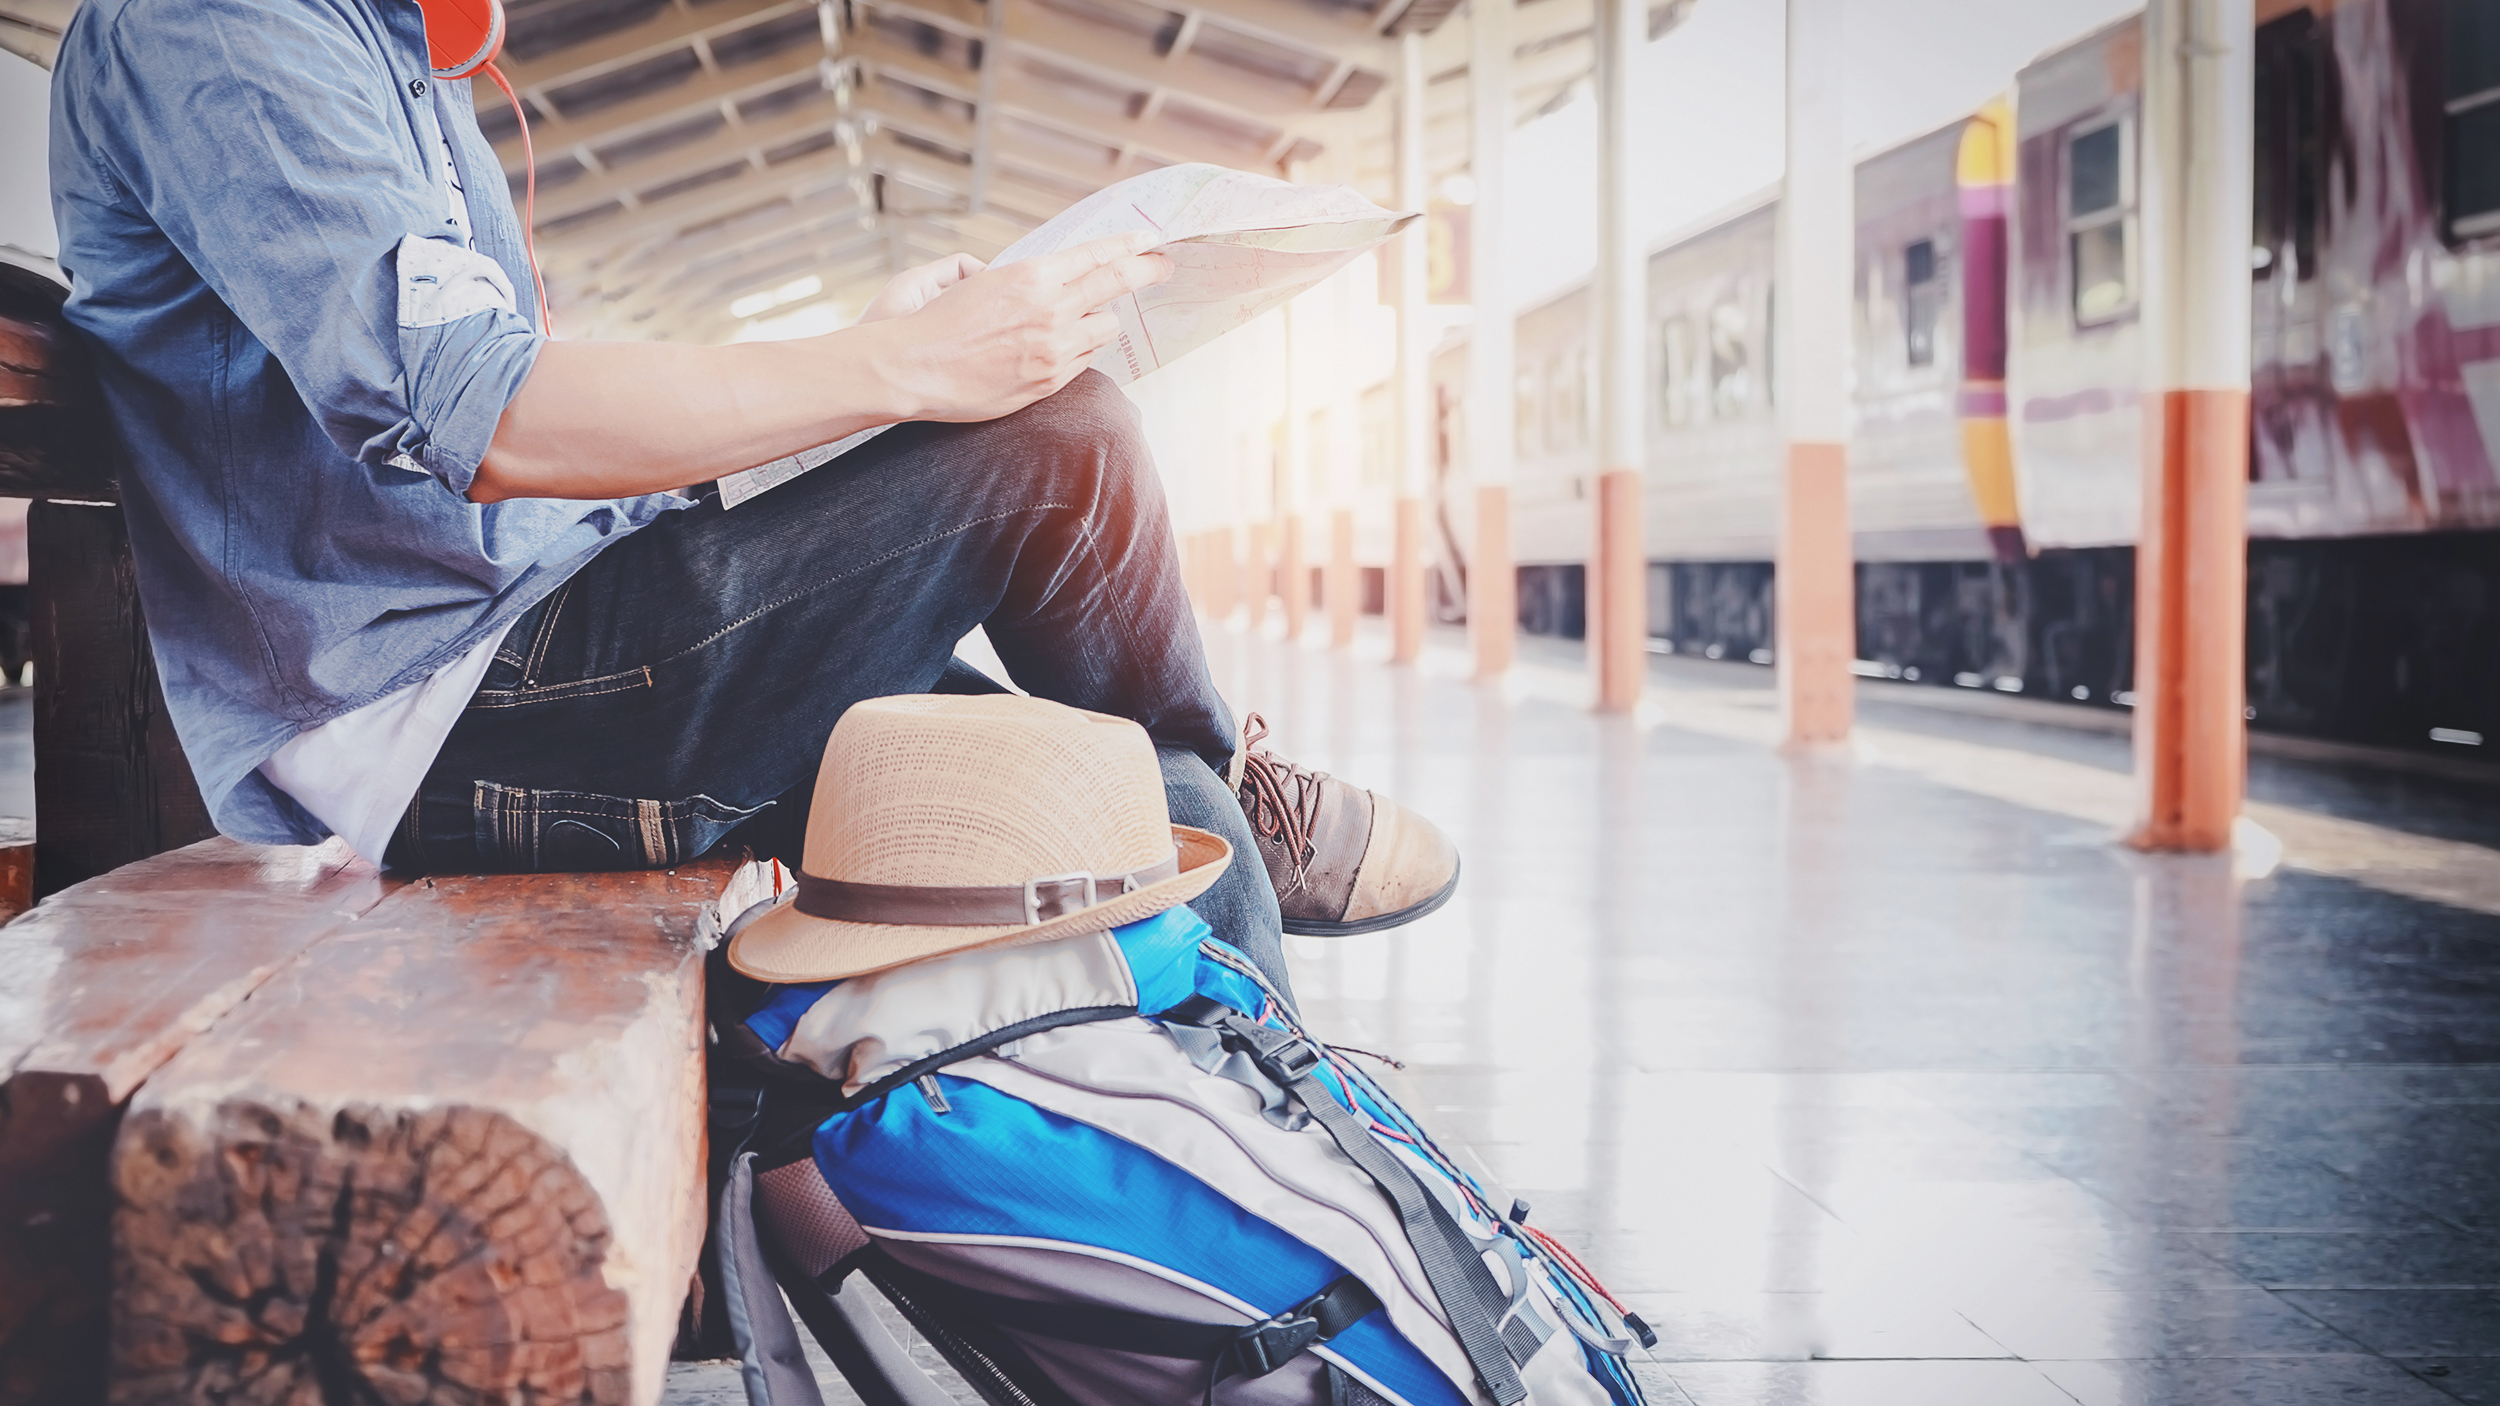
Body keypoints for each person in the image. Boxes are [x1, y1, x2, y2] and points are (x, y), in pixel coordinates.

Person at [45, 0, 1459, 999]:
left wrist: (867, 364)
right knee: (1062, 443)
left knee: (1137, 798)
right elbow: (491, 416)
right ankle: (1255, 878)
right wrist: (907, 364)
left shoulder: (389, 55)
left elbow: (533, 421)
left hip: (552, 638)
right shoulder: (223, 25)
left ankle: (1305, 1203)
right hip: (460, 706)